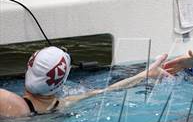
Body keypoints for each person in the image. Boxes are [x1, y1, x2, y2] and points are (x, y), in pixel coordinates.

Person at [0, 47, 170, 118]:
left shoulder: (10, 102)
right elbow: (107, 91)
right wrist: (146, 74)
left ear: (29, 69)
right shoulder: (61, 105)